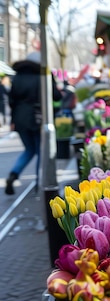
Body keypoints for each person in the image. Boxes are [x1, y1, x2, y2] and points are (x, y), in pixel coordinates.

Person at [6, 51, 62, 195]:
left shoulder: (18, 77)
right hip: (38, 119)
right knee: (41, 152)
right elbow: (56, 96)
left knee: (29, 150)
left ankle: (14, 174)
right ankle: (40, 183)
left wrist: (13, 120)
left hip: (20, 119)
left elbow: (12, 101)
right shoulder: (43, 75)